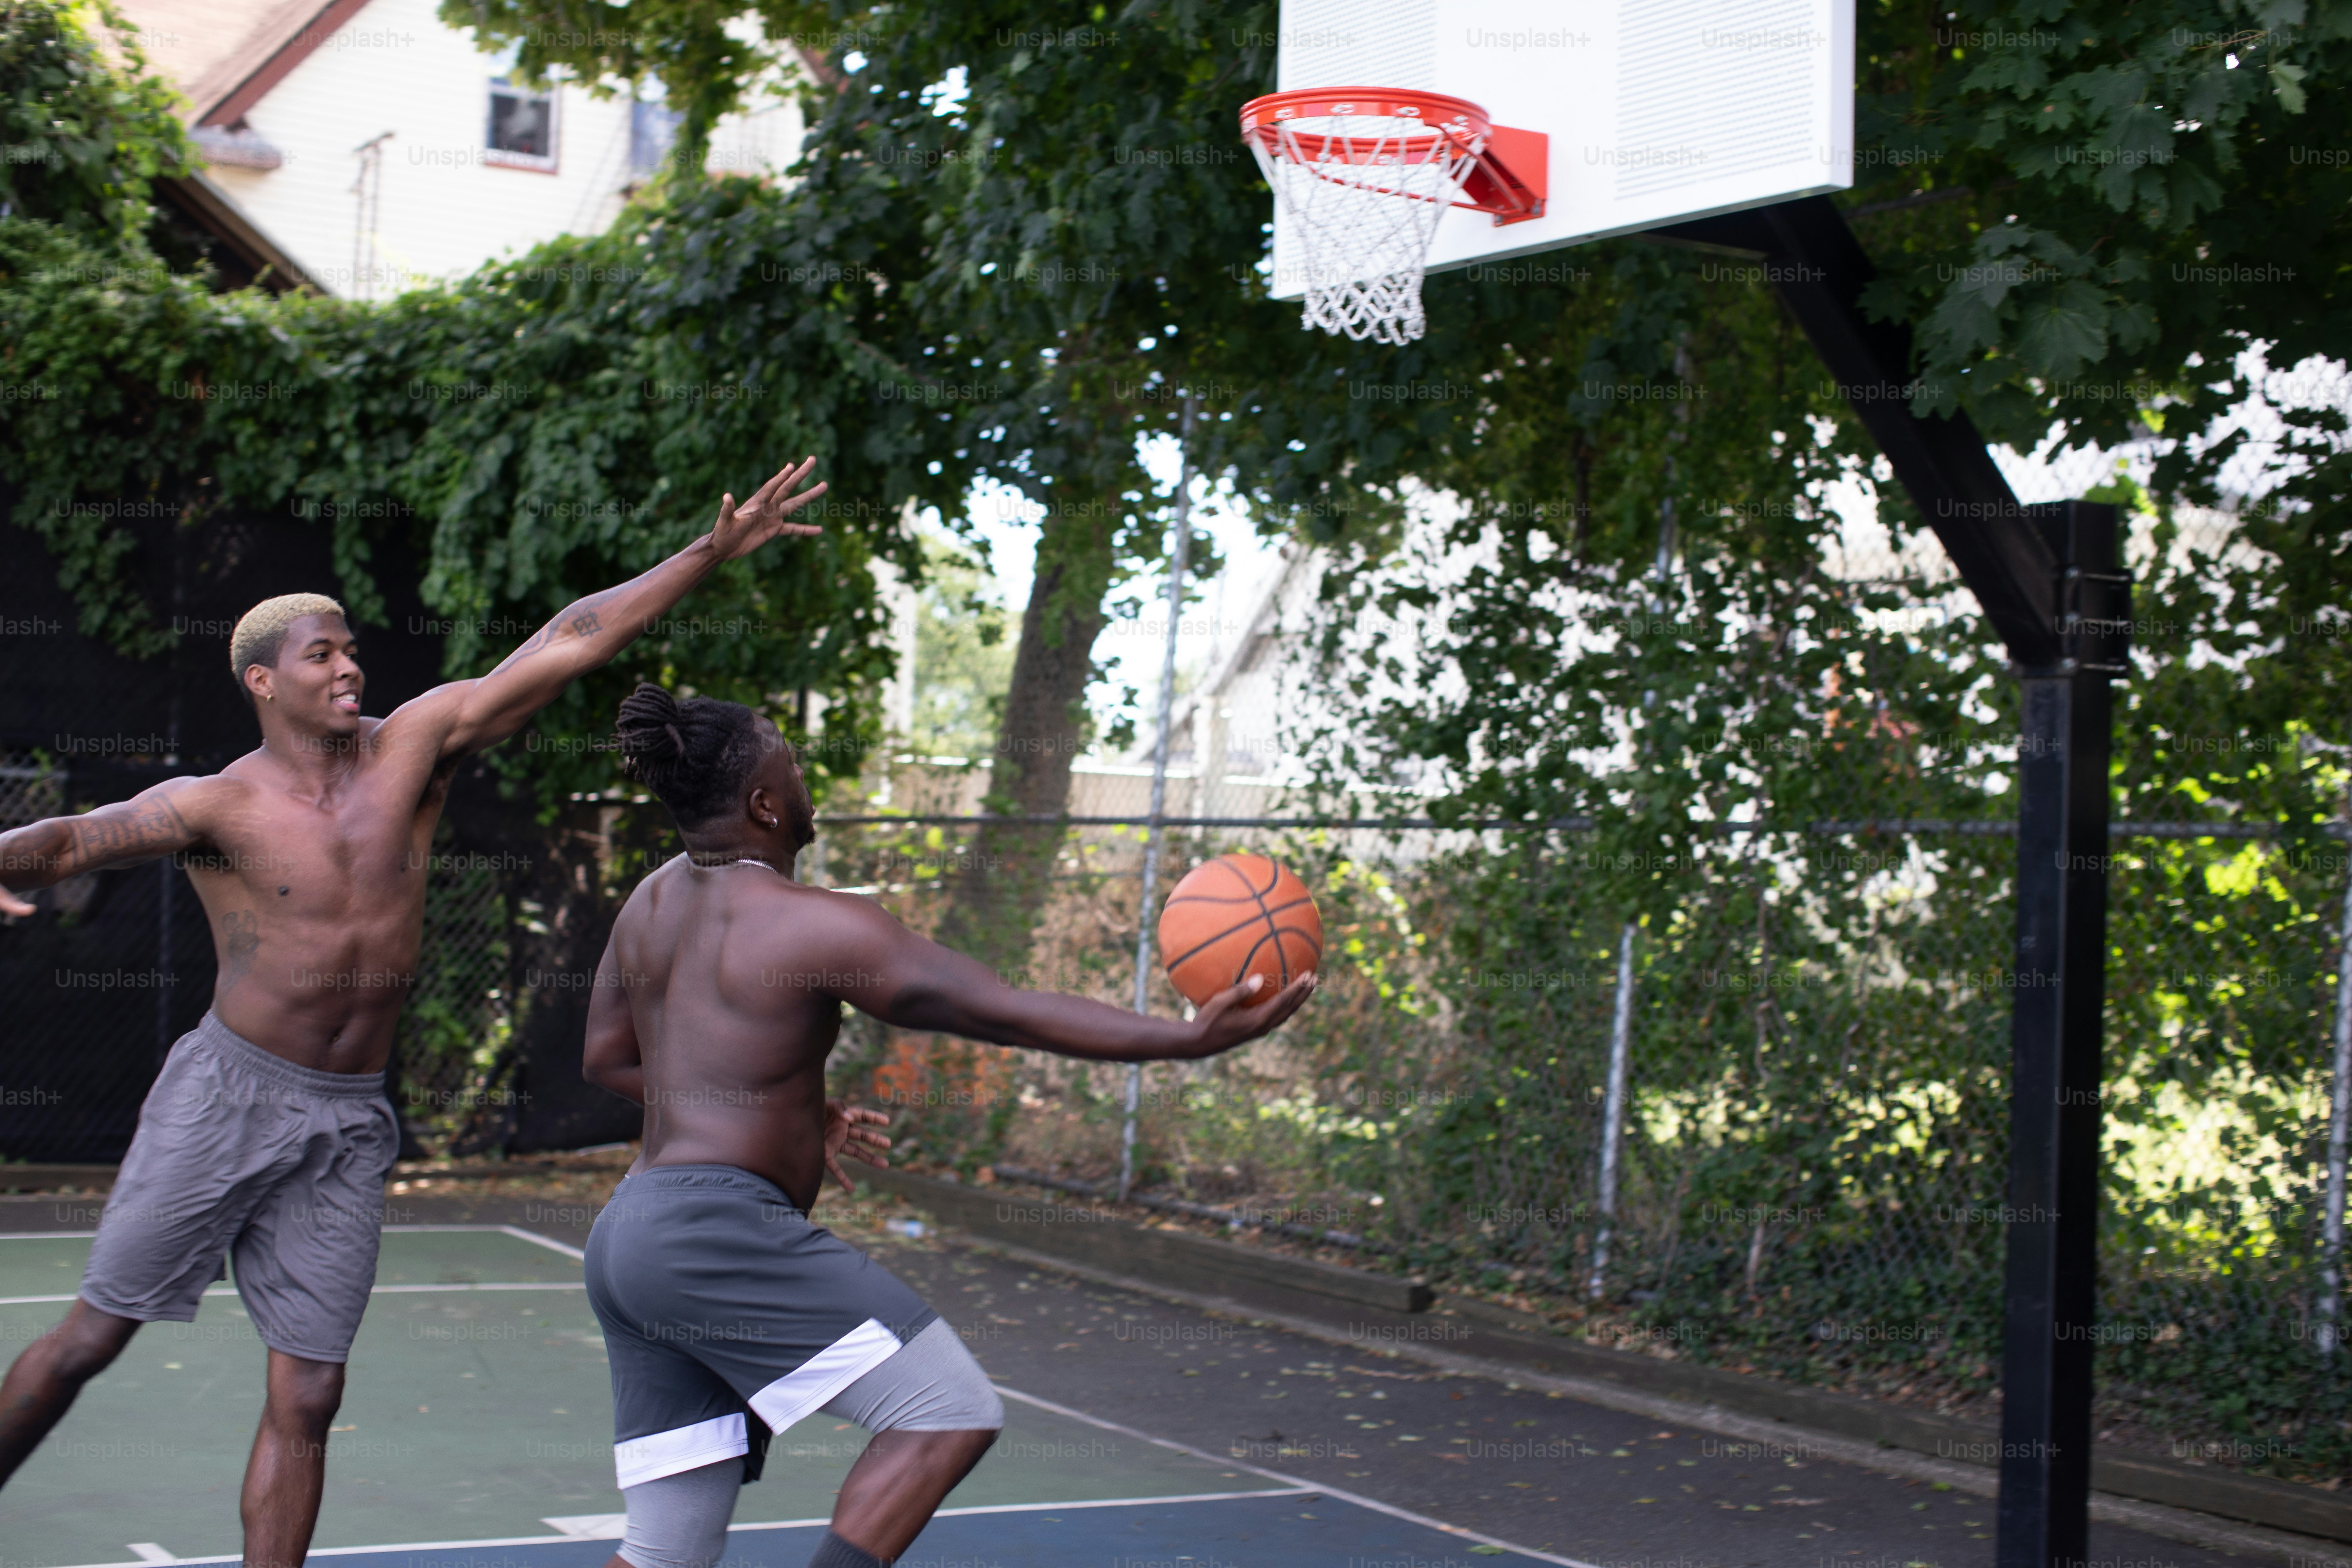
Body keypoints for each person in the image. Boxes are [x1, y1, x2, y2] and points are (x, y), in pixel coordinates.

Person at [0, 460, 832, 1566]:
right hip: (226, 1097)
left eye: (351, 648)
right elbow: (69, 840)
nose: (350, 666)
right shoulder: (215, 805)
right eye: (322, 655)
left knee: (311, 1392)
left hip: (347, 1117)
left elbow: (569, 640)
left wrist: (705, 554)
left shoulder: (416, 747)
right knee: (90, 1341)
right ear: (262, 681)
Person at [580, 680, 1316, 1568]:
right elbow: (1000, 1008)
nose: (806, 777)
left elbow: (607, 1059)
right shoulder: (814, 924)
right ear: (766, 805)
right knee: (945, 1410)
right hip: (711, 1235)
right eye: (793, 762)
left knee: (667, 1550)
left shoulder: (650, 904)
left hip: (628, 1238)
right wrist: (1186, 1038)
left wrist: (782, 1108)